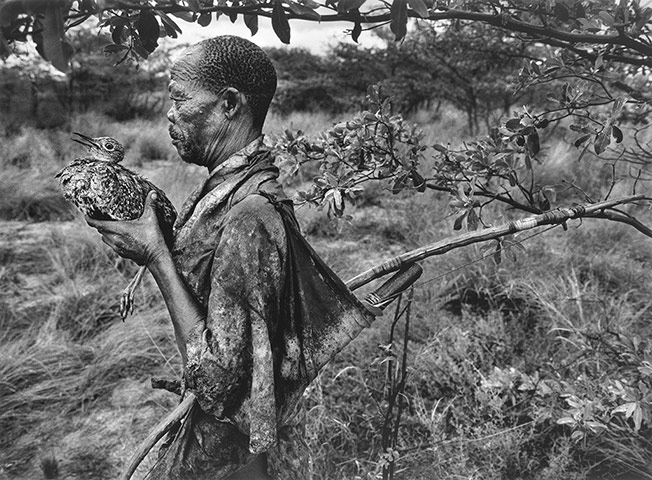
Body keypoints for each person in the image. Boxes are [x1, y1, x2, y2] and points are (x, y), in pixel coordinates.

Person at [86, 35, 375, 479]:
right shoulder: (229, 187)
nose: (170, 112)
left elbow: (222, 382)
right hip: (231, 443)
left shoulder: (251, 214)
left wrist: (157, 256)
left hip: (227, 445)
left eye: (180, 98)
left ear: (228, 104)